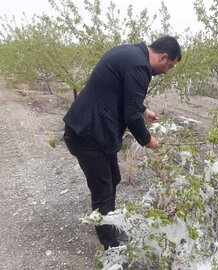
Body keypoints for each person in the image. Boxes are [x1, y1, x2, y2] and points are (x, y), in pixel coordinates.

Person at [63, 36, 181, 249]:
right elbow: (130, 114)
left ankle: (111, 226)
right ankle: (111, 248)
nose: (167, 71)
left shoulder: (132, 53)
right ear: (163, 57)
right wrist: (147, 140)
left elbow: (122, 92)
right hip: (87, 134)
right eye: (169, 66)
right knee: (103, 190)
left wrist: (144, 110)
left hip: (94, 131)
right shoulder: (140, 67)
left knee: (113, 178)